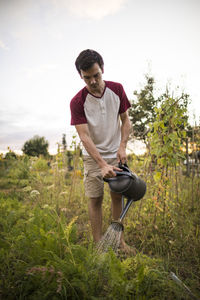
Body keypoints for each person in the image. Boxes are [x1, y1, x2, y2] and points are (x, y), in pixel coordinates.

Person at [70, 49, 134, 253]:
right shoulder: (77, 102)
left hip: (116, 155)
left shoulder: (117, 89)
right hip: (93, 158)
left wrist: (122, 145)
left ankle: (120, 243)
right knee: (95, 199)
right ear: (81, 76)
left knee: (118, 197)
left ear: (102, 69)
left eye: (96, 75)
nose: (93, 81)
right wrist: (101, 164)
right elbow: (84, 136)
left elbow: (126, 120)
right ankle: (99, 245)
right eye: (87, 77)